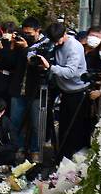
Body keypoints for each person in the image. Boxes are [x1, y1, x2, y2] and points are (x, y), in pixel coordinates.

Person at [36, 23, 90, 159]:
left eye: (59, 39)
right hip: (64, 90)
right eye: (54, 41)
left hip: (77, 90)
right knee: (63, 126)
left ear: (65, 33)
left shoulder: (74, 47)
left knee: (73, 128)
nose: (57, 43)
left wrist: (50, 67)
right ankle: (61, 156)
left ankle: (71, 157)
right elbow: (34, 49)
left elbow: (70, 72)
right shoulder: (53, 41)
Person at [8, 17, 45, 163]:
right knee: (15, 122)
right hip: (18, 89)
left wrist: (26, 49)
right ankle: (19, 148)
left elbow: (37, 65)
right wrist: (12, 46)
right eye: (25, 33)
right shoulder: (19, 44)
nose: (27, 36)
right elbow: (10, 63)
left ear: (38, 31)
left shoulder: (44, 44)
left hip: (35, 91)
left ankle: (35, 150)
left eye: (29, 33)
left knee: (36, 124)